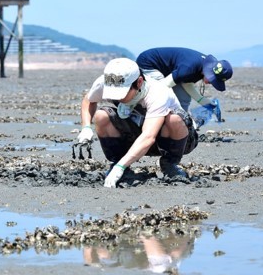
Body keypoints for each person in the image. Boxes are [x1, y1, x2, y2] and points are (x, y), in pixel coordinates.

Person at [76, 58, 198, 187]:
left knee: (174, 119)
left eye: (122, 93)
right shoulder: (105, 81)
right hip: (135, 136)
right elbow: (89, 100)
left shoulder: (157, 92)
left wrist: (120, 167)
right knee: (101, 116)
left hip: (170, 140)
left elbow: (148, 136)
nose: (117, 98)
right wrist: (86, 128)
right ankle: (117, 161)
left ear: (139, 82)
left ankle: (169, 164)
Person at [136, 47, 233, 112]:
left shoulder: (205, 66)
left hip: (171, 71)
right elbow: (162, 87)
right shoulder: (189, 68)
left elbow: (186, 83)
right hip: (148, 63)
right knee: (164, 97)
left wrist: (204, 101)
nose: (210, 83)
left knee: (184, 99)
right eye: (212, 80)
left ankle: (182, 124)